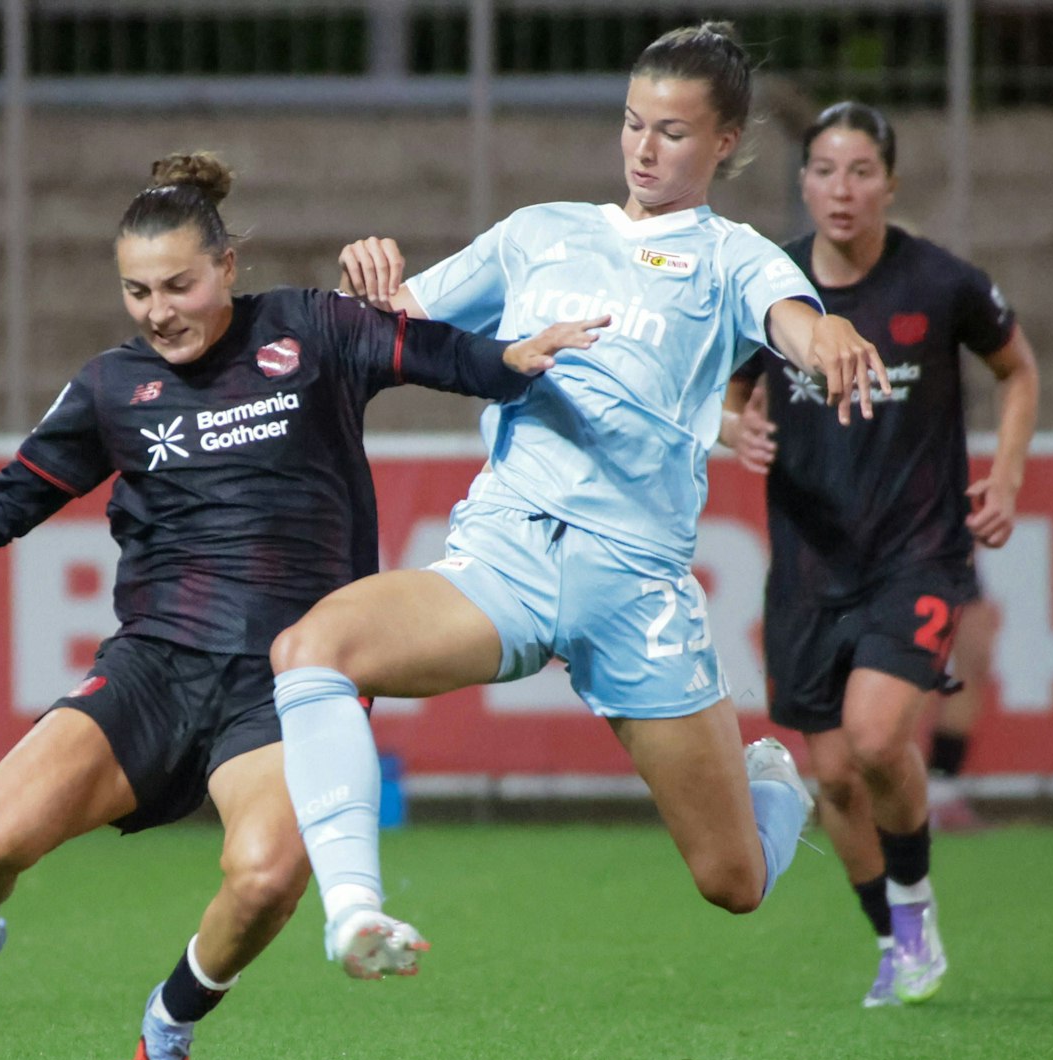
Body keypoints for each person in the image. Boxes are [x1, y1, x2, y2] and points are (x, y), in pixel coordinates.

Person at [0, 153, 599, 1060]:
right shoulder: (112, 387)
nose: (159, 310)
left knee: (267, 877)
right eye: (138, 290)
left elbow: (442, 356)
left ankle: (171, 1020)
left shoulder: (314, 329)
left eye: (180, 285)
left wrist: (513, 360)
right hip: (154, 666)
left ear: (229, 266)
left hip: (287, 682)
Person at [270, 22, 890, 982]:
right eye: (634, 124)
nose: (646, 149)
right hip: (505, 557)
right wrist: (370, 282)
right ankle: (353, 910)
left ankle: (772, 783)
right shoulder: (538, 233)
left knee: (732, 879)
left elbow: (793, 320)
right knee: (313, 649)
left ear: (725, 141)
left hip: (635, 588)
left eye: (673, 132)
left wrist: (830, 338)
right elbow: (390, 330)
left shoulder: (735, 256)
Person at [723, 102, 1040, 1007]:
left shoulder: (940, 284)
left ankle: (915, 900)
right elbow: (723, 400)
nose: (841, 189)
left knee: (871, 737)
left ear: (890, 185)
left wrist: (1008, 473)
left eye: (861, 171)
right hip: (808, 565)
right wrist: (729, 429)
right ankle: (902, 942)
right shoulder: (772, 286)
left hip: (918, 555)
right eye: (824, 169)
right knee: (831, 777)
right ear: (804, 181)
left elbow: (1020, 368)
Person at [925, 599, 1002, 832]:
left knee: (973, 665)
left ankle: (941, 787)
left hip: (957, 569)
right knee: (905, 672)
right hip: (904, 569)